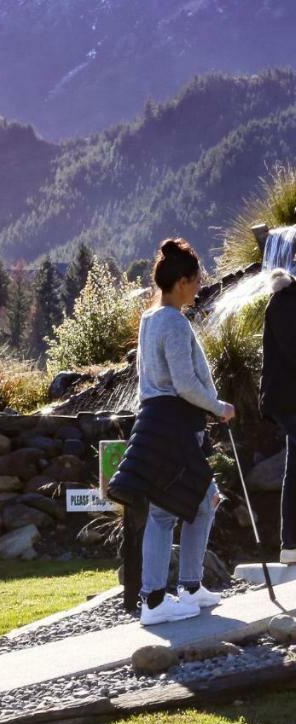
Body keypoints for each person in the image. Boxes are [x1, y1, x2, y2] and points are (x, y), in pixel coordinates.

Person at [108, 239, 235, 627]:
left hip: (163, 423)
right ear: (182, 281)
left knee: (204, 500)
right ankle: (155, 600)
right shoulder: (174, 322)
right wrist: (219, 406)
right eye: (196, 281)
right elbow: (183, 383)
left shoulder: (151, 318)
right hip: (174, 425)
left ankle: (191, 587)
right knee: (165, 513)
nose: (199, 287)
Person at [261, 259, 296, 563]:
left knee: (294, 468)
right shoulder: (285, 302)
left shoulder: (284, 300)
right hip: (288, 399)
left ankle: (290, 545)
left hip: (285, 400)